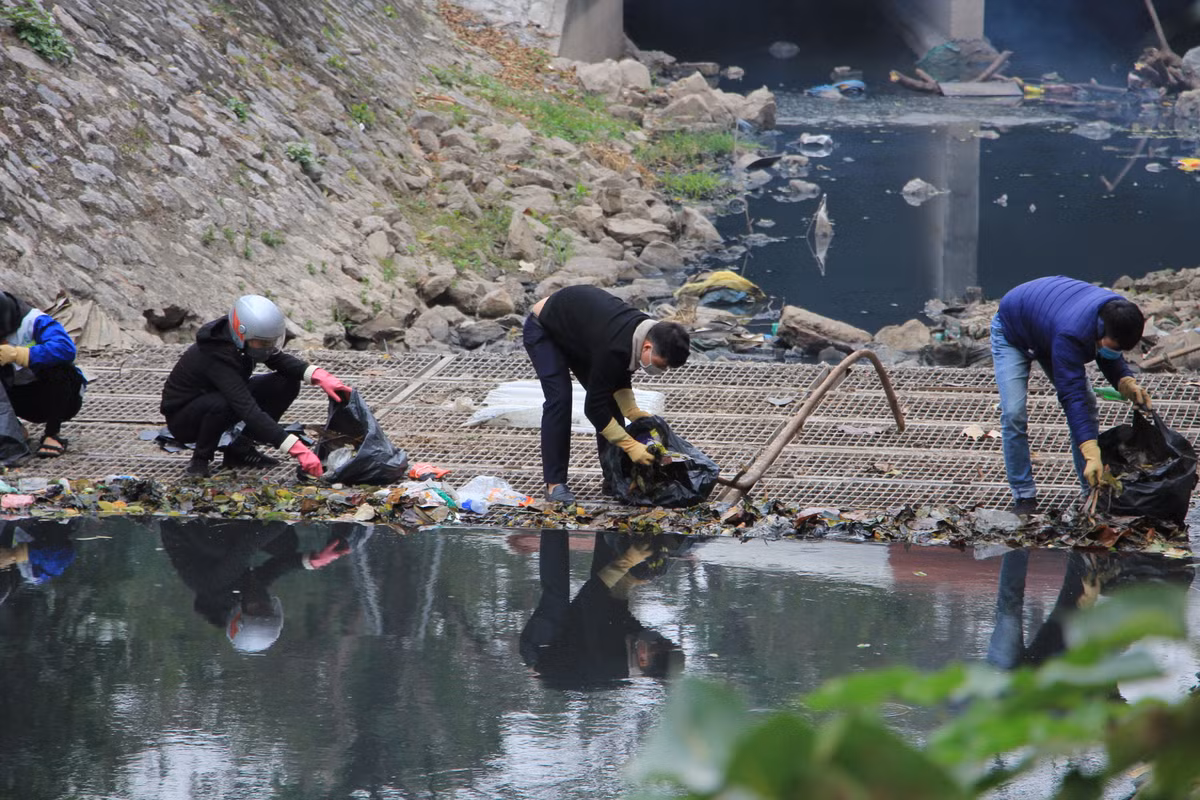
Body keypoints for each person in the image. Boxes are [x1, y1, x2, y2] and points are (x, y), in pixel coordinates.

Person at [991, 277, 1152, 514]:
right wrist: (1090, 449)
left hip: (1048, 328)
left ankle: (1090, 491)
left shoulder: (1118, 314)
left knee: (1089, 405)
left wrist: (1124, 380)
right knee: (1014, 413)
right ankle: (1023, 495)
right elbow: (1072, 396)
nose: (1116, 351)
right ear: (1102, 330)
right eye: (1115, 346)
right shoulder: (1072, 334)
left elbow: (1109, 353)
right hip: (1012, 330)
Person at [524, 286, 691, 504]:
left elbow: (618, 375)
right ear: (647, 347)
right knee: (560, 400)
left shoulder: (642, 333)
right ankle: (555, 484)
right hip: (545, 329)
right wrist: (630, 445)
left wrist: (631, 410)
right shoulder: (614, 346)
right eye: (661, 365)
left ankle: (613, 477)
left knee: (611, 404)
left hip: (579, 335)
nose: (662, 370)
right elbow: (593, 408)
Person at [160, 295, 353, 477]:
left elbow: (278, 360)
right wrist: (296, 448)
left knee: (286, 381)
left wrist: (320, 376)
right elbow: (247, 409)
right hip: (184, 419)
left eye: (271, 342)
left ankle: (240, 449)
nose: (267, 347)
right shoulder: (216, 354)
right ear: (241, 334)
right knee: (223, 404)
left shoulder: (243, 340)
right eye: (263, 343)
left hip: (222, 396)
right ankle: (200, 460)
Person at [160, 518, 365, 653]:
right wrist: (313, 561)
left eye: (257, 609)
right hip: (216, 537)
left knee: (222, 547)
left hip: (183, 527)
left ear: (238, 614)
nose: (263, 603)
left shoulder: (214, 585)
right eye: (267, 610)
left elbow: (246, 547)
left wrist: (288, 516)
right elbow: (275, 568)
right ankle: (242, 518)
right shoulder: (243, 595)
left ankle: (228, 516)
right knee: (286, 546)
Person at [519, 530, 685, 686]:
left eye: (659, 643)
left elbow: (590, 598)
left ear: (643, 660)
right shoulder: (642, 647)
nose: (660, 638)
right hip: (579, 638)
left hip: (543, 652)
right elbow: (617, 611)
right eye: (667, 641)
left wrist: (627, 561)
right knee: (608, 573)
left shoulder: (606, 658)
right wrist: (627, 582)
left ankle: (553, 529)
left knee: (557, 598)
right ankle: (607, 525)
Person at [0, 291, 86, 459]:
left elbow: (65, 349)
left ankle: (52, 434)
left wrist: (21, 355)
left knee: (60, 368)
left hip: (55, 397)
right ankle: (14, 429)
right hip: (15, 398)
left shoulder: (33, 320)